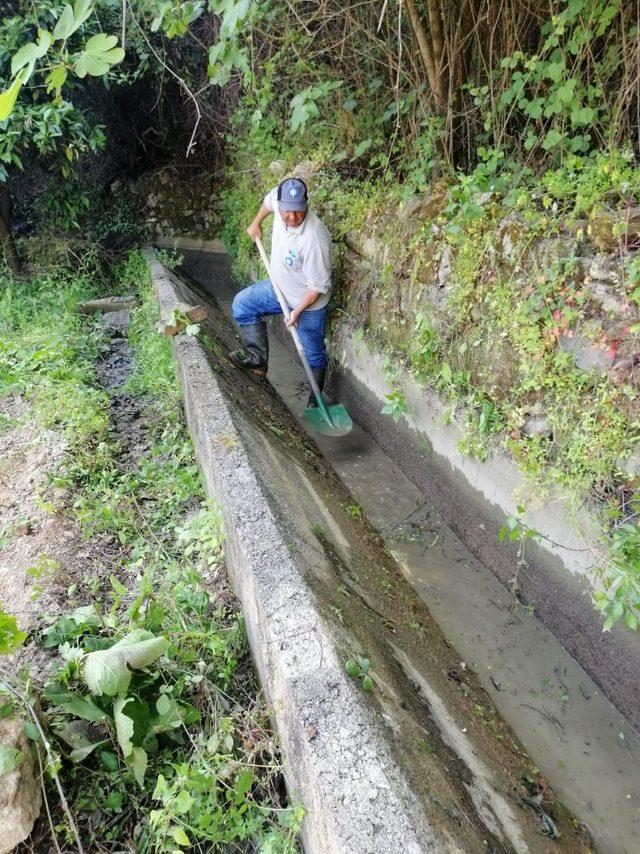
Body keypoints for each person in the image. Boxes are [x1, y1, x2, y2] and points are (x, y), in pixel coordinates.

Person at [229, 177, 332, 406]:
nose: (293, 217)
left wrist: (297, 312)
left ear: (306, 205)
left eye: (298, 212)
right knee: (242, 305)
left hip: (309, 303)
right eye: (288, 211)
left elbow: (317, 287)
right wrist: (256, 223)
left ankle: (315, 401)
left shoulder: (314, 238)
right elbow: (268, 202)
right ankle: (257, 361)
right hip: (278, 288)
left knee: (313, 354)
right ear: (281, 204)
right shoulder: (278, 199)